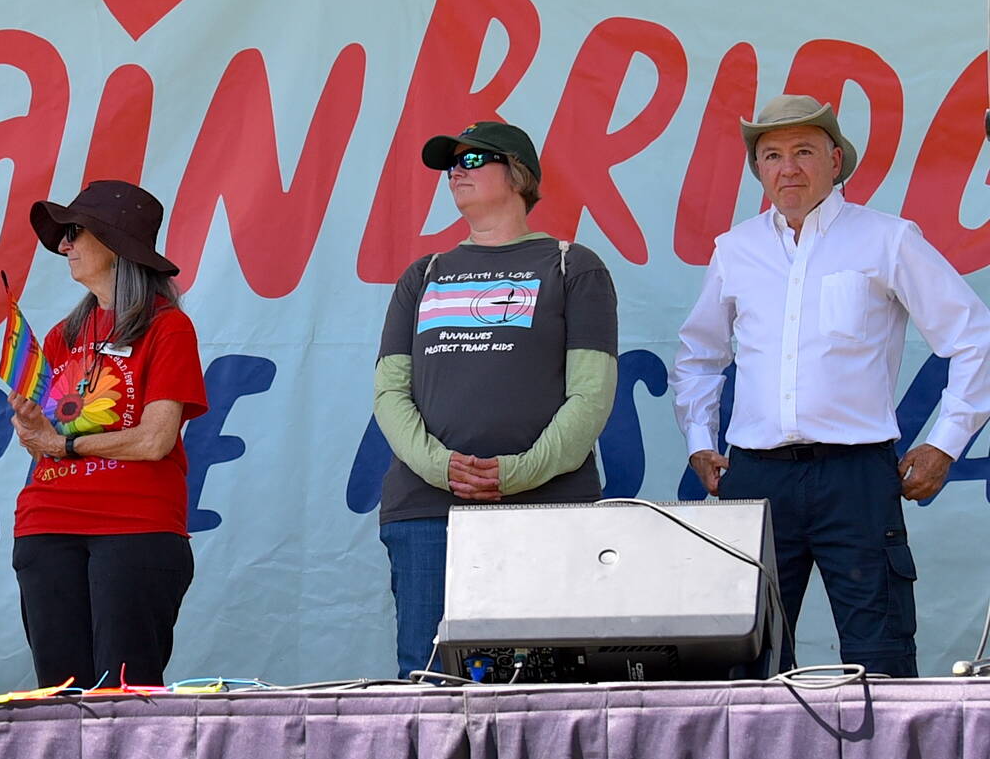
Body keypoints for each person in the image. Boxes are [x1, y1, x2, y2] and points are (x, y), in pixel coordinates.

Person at [673, 94, 990, 678]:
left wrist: (946, 442)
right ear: (757, 170)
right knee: (749, 659)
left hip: (857, 475)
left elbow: (976, 338)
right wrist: (698, 437)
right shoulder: (735, 250)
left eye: (803, 151)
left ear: (836, 160)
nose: (787, 168)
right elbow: (698, 356)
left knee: (882, 655)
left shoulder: (887, 239)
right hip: (757, 476)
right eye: (771, 155)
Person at [373, 121, 619, 677]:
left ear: (519, 175)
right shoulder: (423, 274)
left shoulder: (572, 265)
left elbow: (592, 394)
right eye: (450, 163)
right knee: (430, 675)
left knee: (551, 675)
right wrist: (444, 467)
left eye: (475, 158)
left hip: (547, 506)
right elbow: (389, 392)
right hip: (429, 509)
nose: (457, 170)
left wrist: (519, 472)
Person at [7, 180, 207, 689]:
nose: (64, 245)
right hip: (47, 523)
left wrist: (63, 443)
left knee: (126, 690)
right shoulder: (62, 335)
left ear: (115, 244)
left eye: (74, 232)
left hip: (134, 524)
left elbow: (155, 439)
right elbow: (47, 439)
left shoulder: (167, 328)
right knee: (58, 691)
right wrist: (33, 428)